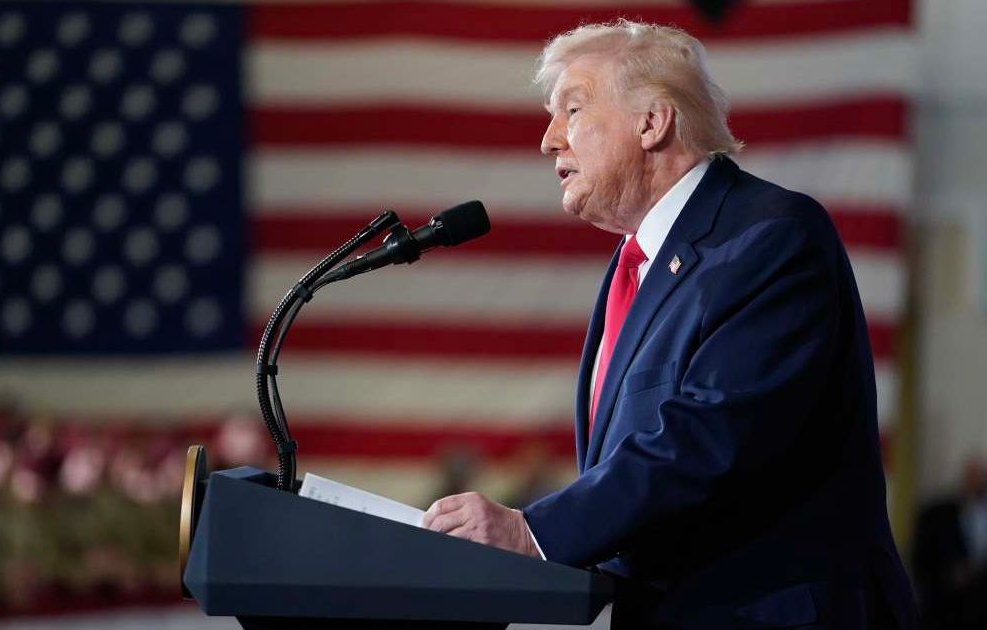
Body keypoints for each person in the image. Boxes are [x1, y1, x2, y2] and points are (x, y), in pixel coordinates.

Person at [422, 19, 917, 629]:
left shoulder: (769, 237)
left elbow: (708, 438)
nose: (550, 140)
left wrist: (535, 532)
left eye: (572, 110)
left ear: (652, 123)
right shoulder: (637, 264)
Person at [913, 456, 987, 629]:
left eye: (982, 475)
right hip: (943, 609)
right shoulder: (937, 514)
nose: (979, 481)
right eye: (974, 475)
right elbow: (920, 558)